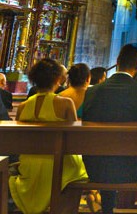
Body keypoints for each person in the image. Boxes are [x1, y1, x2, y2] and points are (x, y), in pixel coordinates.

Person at [80, 43, 137, 214]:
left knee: (107, 152)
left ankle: (107, 209)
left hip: (96, 167)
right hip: (134, 168)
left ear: (117, 62)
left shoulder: (93, 91)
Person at [9, 58, 87, 214]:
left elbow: (20, 140)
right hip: (57, 164)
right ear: (58, 79)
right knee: (80, 172)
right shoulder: (65, 104)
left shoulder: (24, 106)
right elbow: (74, 140)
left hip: (29, 164)